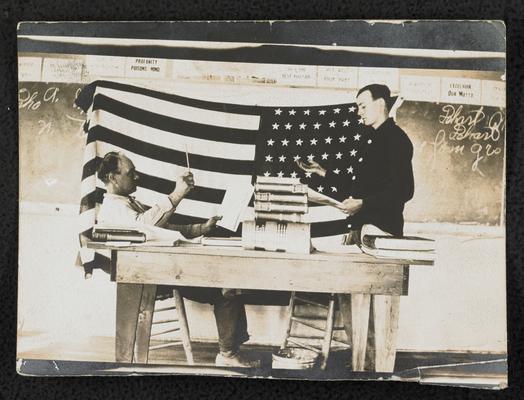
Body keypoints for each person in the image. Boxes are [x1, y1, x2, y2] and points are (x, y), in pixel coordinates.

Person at [96, 151, 259, 368]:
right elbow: (145, 225)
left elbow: (164, 228)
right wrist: (177, 193)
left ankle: (229, 353)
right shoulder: (113, 208)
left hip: (165, 268)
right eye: (131, 173)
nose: (137, 177)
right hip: (155, 274)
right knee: (226, 287)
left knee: (228, 285)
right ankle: (228, 356)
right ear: (112, 177)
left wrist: (202, 228)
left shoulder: (127, 203)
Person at [298, 83, 414, 240]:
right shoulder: (370, 138)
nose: (359, 113)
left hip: (382, 232)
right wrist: (322, 172)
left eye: (363, 107)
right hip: (361, 228)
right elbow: (360, 184)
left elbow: (404, 191)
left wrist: (363, 203)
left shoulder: (396, 139)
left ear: (380, 103)